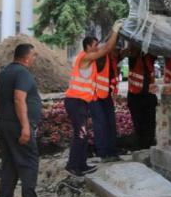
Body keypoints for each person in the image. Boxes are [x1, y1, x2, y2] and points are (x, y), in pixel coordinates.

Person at [63, 20, 122, 177]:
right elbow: (108, 48)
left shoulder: (88, 59)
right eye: (95, 46)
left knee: (83, 134)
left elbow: (106, 47)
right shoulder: (85, 58)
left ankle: (81, 165)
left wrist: (111, 33)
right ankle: (73, 165)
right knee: (80, 134)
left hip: (80, 102)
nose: (97, 48)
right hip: (75, 101)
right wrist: (115, 30)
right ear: (88, 47)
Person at [0, 43, 42, 197]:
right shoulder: (23, 73)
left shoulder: (5, 72)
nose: (35, 58)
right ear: (26, 57)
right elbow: (18, 98)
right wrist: (26, 126)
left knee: (9, 165)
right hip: (17, 126)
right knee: (29, 164)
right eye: (34, 55)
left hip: (4, 123)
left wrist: (0, 118)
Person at [88, 26, 122, 163]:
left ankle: (112, 152)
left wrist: (117, 33)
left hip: (105, 95)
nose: (117, 52)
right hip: (95, 96)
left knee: (110, 123)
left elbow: (122, 51)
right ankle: (103, 153)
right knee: (100, 123)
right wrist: (114, 30)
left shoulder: (111, 58)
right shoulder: (99, 57)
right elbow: (108, 46)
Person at [123, 45, 158, 150]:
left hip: (148, 96)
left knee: (150, 124)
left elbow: (155, 50)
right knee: (139, 124)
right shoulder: (133, 59)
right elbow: (132, 49)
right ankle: (141, 146)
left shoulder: (149, 57)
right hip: (136, 97)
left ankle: (148, 145)